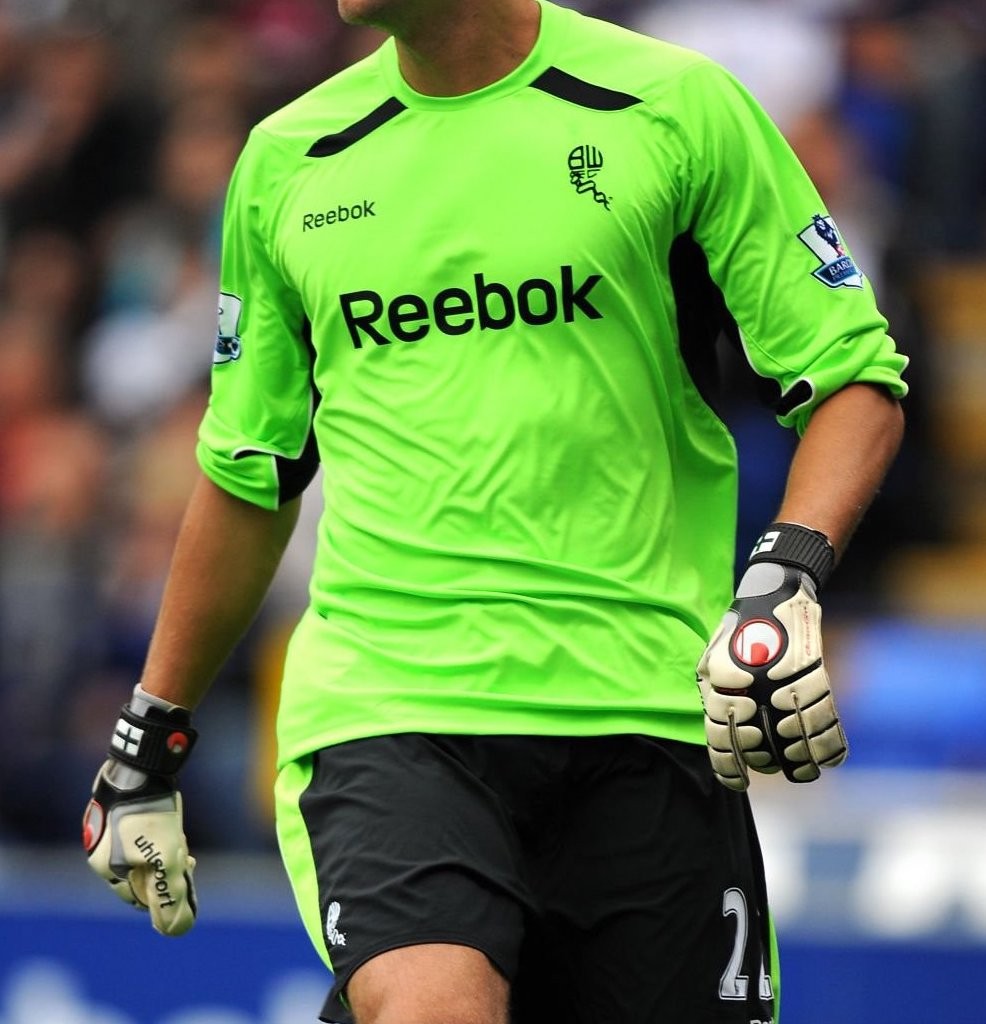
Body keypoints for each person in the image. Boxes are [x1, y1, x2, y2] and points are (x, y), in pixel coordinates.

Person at [81, 1, 908, 1021]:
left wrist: (783, 576)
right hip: (390, 709)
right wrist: (147, 737)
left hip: (645, 710)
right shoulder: (290, 157)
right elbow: (252, 471)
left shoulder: (676, 108)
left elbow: (850, 375)